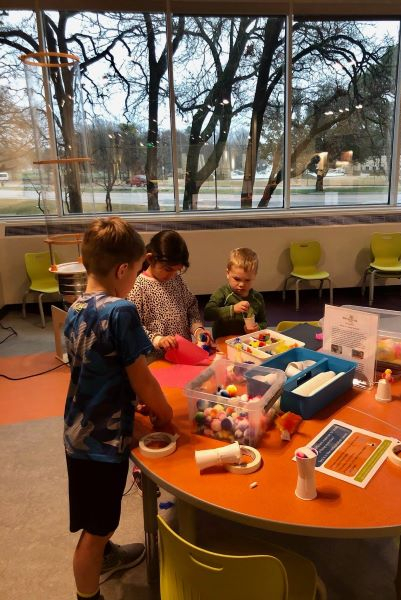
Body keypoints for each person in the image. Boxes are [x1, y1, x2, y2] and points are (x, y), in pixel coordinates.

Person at [63, 217, 173, 600]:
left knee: (95, 518)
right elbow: (143, 379)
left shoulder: (75, 307)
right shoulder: (121, 311)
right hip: (101, 442)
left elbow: (98, 369)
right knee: (97, 530)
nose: (136, 280)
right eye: (136, 271)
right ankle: (87, 595)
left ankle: (107, 555)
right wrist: (165, 415)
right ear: (123, 269)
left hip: (77, 431)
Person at [127, 229, 208, 357]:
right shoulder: (138, 288)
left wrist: (198, 330)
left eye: (177, 270)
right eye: (168, 269)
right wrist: (159, 340)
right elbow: (134, 327)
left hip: (182, 354)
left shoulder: (176, 280)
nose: (172, 275)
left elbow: (191, 308)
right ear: (150, 259)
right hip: (156, 359)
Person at [204, 247, 267, 339]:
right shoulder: (223, 293)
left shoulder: (257, 298)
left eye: (247, 280)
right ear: (227, 273)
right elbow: (208, 313)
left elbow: (263, 321)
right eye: (237, 279)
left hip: (247, 343)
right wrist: (232, 309)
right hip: (223, 342)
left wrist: (257, 328)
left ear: (254, 276)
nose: (242, 284)